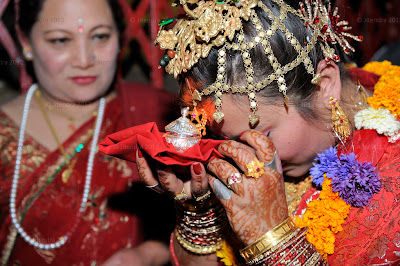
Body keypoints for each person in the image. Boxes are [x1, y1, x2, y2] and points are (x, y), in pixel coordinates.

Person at [136, 0, 400, 265]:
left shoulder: (392, 183)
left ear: (325, 85)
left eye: (261, 136)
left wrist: (272, 240)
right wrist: (201, 210)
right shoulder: (244, 167)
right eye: (224, 141)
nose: (248, 163)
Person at [0, 0, 176, 265]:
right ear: (25, 42)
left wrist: (150, 254)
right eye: (60, 40)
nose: (84, 60)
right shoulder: (4, 134)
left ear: (120, 38)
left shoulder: (164, 118)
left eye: (100, 36)